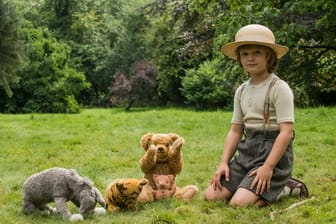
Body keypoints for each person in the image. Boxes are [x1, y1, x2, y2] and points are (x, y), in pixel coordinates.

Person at [204, 24, 308, 207]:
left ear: (269, 56)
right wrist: (224, 163)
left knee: (238, 203)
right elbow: (236, 131)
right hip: (247, 152)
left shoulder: (279, 88)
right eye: (245, 54)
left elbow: (286, 133)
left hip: (273, 154)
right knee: (211, 195)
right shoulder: (242, 90)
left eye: (257, 52)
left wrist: (268, 167)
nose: (250, 58)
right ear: (239, 58)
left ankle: (287, 186)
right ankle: (247, 184)